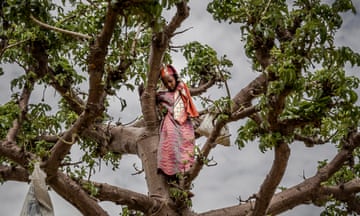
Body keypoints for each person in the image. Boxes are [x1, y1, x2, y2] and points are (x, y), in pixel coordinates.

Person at [156, 64, 199, 180]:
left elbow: (184, 109)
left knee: (185, 148)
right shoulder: (162, 95)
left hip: (184, 124)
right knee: (170, 145)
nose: (169, 85)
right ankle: (170, 175)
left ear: (175, 78)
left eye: (170, 81)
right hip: (170, 123)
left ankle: (181, 176)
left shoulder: (182, 89)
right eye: (166, 84)